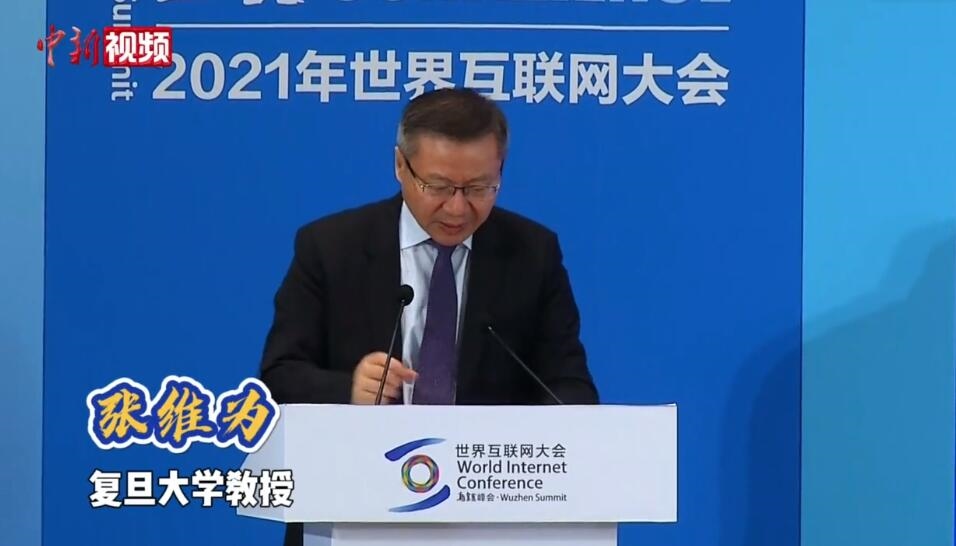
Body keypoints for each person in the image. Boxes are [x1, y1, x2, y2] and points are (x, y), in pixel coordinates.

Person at [258, 87, 599, 545]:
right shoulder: (330, 247)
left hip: (491, 518)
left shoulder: (532, 254)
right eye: (438, 187)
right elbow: (278, 378)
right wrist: (347, 388)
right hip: (353, 507)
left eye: (479, 188)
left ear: (500, 171)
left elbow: (570, 387)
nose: (457, 208)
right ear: (401, 165)